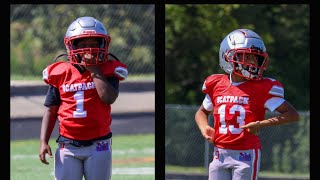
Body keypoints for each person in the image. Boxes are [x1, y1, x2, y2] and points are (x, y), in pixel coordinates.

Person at [194, 28, 300, 180]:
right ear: (228, 56)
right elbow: (201, 112)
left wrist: (261, 124)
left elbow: (292, 114)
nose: (252, 62)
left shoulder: (262, 88)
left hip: (245, 155)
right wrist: (204, 127)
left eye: (255, 58)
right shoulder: (217, 84)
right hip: (219, 154)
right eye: (247, 56)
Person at [39, 16, 128, 180]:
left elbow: (108, 98)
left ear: (103, 45)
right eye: (83, 45)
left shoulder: (107, 70)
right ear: (71, 46)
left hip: (99, 144)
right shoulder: (60, 73)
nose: (89, 50)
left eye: (94, 44)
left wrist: (94, 70)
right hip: (68, 144)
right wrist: (43, 141)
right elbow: (51, 110)